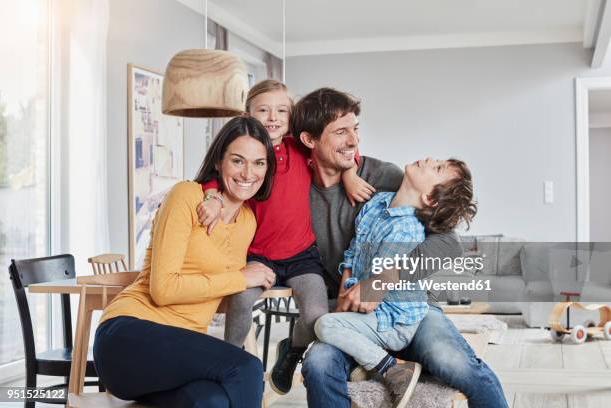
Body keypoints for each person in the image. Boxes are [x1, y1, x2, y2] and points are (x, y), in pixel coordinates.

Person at [293, 87, 509, 408]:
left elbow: (449, 243)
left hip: (408, 308)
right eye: (341, 132)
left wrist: (382, 280)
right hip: (350, 310)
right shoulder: (295, 188)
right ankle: (389, 367)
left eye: (355, 129)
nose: (353, 141)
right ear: (309, 140)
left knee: (451, 360)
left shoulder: (385, 176)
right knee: (319, 364)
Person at [196, 80, 373, 394]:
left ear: (292, 118)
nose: (273, 117)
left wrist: (350, 174)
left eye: (281, 110)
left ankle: (292, 349)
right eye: (263, 110)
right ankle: (229, 358)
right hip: (256, 255)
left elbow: (336, 153)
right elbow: (212, 175)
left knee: (317, 314)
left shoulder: (299, 147)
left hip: (302, 255)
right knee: (240, 300)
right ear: (247, 114)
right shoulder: (244, 151)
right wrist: (212, 198)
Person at [93, 116, 277, 408]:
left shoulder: (247, 222)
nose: (248, 173)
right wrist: (241, 278)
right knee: (247, 368)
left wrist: (255, 282)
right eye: (238, 161)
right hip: (128, 336)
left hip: (178, 357)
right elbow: (163, 289)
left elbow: (211, 292)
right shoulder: (187, 195)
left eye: (259, 163)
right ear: (219, 162)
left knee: (210, 401)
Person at [315, 158, 477, 407]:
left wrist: (347, 306)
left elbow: (375, 288)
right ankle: (363, 361)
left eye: (437, 168)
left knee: (326, 325)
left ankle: (393, 371)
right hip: (366, 307)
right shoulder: (377, 202)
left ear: (430, 199)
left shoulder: (405, 230)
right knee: (310, 326)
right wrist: (345, 285)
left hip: (394, 319)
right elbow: (355, 249)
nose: (429, 159)